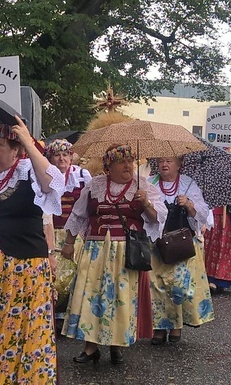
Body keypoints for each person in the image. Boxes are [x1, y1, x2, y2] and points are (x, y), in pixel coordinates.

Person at [0, 118, 63, 383]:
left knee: (20, 330)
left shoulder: (28, 170)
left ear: (16, 150)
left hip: (25, 270)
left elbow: (54, 184)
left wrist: (29, 142)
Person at [61, 145, 165, 364]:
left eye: (130, 161)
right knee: (91, 296)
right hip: (96, 250)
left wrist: (145, 203)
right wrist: (69, 244)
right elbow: (78, 215)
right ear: (109, 167)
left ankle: (117, 345)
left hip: (126, 253)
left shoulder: (142, 185)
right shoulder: (95, 185)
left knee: (121, 298)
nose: (128, 166)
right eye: (121, 161)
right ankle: (90, 348)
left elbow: (158, 219)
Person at [148, 156, 213, 344]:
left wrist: (190, 206)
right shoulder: (149, 183)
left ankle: (176, 325)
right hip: (157, 242)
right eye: (161, 161)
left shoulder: (188, 184)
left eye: (169, 161)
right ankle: (159, 327)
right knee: (157, 286)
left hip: (181, 243)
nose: (164, 164)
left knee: (178, 285)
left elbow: (201, 215)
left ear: (179, 164)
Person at [44, 139, 91, 316]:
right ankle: (54, 311)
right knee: (54, 273)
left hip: (74, 233)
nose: (61, 158)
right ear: (50, 158)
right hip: (52, 232)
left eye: (65, 154)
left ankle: (71, 312)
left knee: (75, 273)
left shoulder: (82, 176)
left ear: (71, 157)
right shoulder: (46, 175)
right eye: (57, 155)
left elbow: (88, 206)